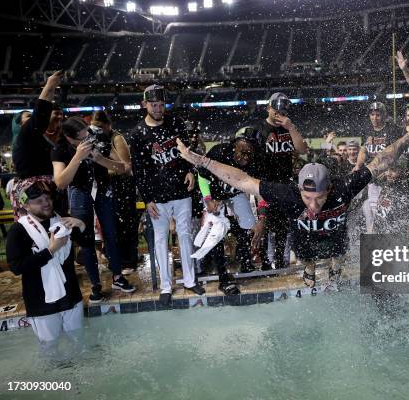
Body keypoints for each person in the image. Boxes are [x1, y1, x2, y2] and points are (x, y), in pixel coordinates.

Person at [177, 123, 409, 289]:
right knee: (306, 255)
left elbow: (382, 160)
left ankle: (335, 268)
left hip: (335, 235)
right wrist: (203, 162)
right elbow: (243, 180)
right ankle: (309, 268)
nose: (314, 206)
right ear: (299, 191)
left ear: (330, 188)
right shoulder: (289, 194)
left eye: (319, 198)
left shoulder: (344, 188)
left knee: (338, 254)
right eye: (308, 198)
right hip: (304, 238)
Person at [128, 85, 203, 304]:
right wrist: (146, 198)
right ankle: (165, 286)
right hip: (157, 196)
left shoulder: (176, 123)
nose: (159, 109)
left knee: (185, 235)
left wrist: (190, 170)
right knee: (161, 241)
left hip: (181, 190)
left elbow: (186, 151)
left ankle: (190, 281)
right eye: (154, 105)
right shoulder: (138, 133)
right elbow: (139, 169)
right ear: (144, 105)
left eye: (161, 105)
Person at [52, 117, 136, 303]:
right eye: (80, 139)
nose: (85, 140)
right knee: (86, 239)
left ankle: (118, 277)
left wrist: (100, 159)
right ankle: (95, 284)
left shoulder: (97, 136)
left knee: (111, 235)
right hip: (78, 191)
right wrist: (77, 158)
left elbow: (123, 168)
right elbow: (60, 182)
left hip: (103, 190)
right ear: (68, 138)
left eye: (86, 135)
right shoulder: (60, 149)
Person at [6, 180, 86, 348]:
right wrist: (50, 251)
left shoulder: (63, 222)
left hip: (71, 296)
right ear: (26, 206)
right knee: (50, 351)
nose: (46, 204)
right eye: (39, 201)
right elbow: (16, 267)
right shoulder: (18, 230)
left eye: (47, 198)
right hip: (41, 303)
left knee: (79, 343)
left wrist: (82, 225)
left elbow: (87, 245)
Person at [196, 126, 264, 294]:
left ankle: (245, 262)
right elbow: (202, 176)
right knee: (216, 232)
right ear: (234, 144)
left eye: (250, 153)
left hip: (235, 193)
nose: (245, 157)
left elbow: (261, 192)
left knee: (249, 226)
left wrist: (261, 219)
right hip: (213, 195)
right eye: (242, 151)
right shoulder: (218, 152)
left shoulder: (257, 161)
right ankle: (222, 276)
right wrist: (208, 199)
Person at [254, 92, 308, 270]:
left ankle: (280, 261)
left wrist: (291, 127)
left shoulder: (288, 128)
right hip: (264, 184)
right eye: (276, 110)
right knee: (264, 225)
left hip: (284, 183)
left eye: (283, 112)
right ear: (268, 108)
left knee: (283, 226)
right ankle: (265, 263)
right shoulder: (259, 129)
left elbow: (302, 149)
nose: (279, 115)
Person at [90, 110, 141, 275]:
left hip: (122, 186)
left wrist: (102, 169)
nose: (97, 130)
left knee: (125, 224)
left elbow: (126, 166)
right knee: (111, 226)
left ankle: (129, 260)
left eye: (99, 126)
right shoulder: (95, 139)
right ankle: (117, 259)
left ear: (107, 125)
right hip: (107, 188)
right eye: (94, 126)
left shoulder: (116, 138)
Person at [10, 71, 65, 220]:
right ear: (19, 125)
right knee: (39, 236)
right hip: (36, 195)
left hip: (42, 191)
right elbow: (40, 116)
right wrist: (50, 85)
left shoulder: (34, 140)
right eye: (28, 116)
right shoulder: (24, 136)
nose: (31, 118)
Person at [354, 102, 404, 233]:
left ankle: (393, 236)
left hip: (389, 178)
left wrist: (388, 169)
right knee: (372, 209)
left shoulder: (392, 129)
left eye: (378, 115)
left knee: (385, 211)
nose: (375, 118)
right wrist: (358, 165)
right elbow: (363, 150)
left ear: (384, 115)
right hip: (373, 178)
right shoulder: (367, 130)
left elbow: (395, 152)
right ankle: (372, 236)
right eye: (372, 115)